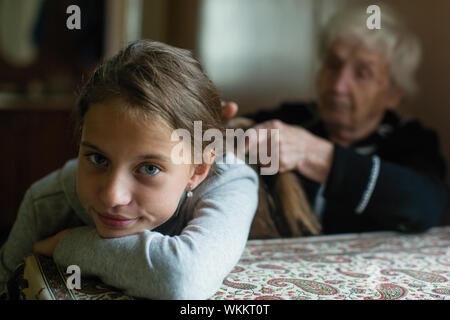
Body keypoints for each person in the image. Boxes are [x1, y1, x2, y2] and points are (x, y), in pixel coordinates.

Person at [0, 40, 259, 299]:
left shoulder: (228, 181)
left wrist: (68, 244)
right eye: (98, 159)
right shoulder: (46, 202)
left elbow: (183, 278)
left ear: (197, 170)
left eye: (148, 168)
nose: (113, 196)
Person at [223, 6, 448, 235]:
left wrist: (313, 154)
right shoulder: (290, 120)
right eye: (333, 65)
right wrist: (220, 128)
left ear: (393, 93)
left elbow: (426, 207)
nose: (338, 85)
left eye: (362, 74)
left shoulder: (412, 139)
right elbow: (226, 135)